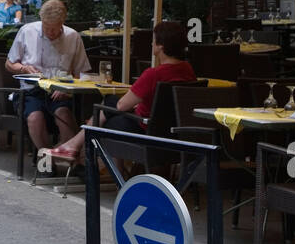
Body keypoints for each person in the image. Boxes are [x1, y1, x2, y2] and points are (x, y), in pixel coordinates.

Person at [42, 21, 196, 164]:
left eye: (154, 40)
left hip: (146, 130)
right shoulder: (188, 70)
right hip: (174, 132)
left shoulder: (153, 74)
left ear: (161, 46)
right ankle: (76, 148)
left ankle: (106, 169)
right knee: (107, 109)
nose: (151, 43)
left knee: (105, 112)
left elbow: (122, 105)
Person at [5, 0, 91, 153]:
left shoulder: (73, 37)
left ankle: (70, 160)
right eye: (46, 27)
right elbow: (9, 64)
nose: (50, 33)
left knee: (64, 115)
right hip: (31, 91)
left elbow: (81, 73)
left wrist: (68, 88)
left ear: (62, 23)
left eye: (54, 29)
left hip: (60, 92)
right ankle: (46, 160)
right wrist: (24, 68)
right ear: (41, 20)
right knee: (34, 118)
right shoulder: (27, 31)